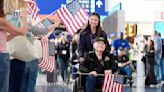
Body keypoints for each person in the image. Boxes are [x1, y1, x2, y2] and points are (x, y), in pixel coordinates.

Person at [0, 0, 27, 91]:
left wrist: (14, 33)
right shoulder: (2, 21)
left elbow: (4, 39)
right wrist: (24, 18)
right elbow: (23, 31)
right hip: (2, 57)